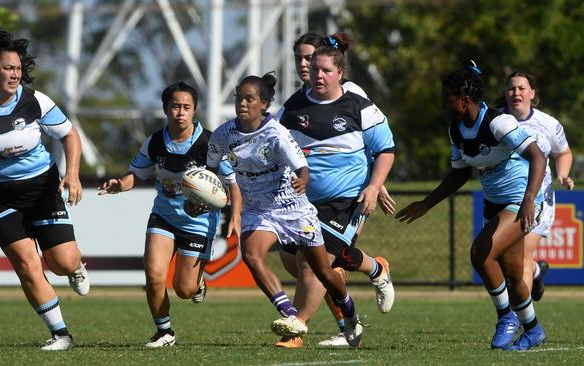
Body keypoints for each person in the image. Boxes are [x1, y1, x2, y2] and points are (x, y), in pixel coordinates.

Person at [0, 30, 89, 350]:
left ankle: (76, 266)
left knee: (62, 262)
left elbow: (70, 135)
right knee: (27, 263)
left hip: (42, 188)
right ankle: (60, 334)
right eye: (9, 68)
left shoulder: (35, 101)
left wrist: (74, 174)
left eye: (18, 68)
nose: (15, 74)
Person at [395, 61, 547, 351]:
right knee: (514, 275)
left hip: (521, 200)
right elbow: (460, 172)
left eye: (447, 101)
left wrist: (529, 200)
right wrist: (427, 203)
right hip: (495, 204)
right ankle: (533, 330)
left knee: (481, 253)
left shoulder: (497, 122)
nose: (443, 107)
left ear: (464, 101)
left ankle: (506, 318)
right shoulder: (456, 131)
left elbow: (538, 157)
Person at [206, 72, 363, 347]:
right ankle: (291, 315)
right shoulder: (223, 135)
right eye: (239, 98)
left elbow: (302, 167)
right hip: (259, 210)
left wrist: (303, 180)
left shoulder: (276, 134)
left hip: (292, 208)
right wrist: (204, 192)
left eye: (249, 98)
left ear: (264, 104)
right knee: (252, 254)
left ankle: (349, 312)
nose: (242, 103)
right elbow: (209, 169)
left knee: (325, 273)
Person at [275, 33, 396, 348]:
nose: (313, 72)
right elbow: (273, 146)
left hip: (347, 200)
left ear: (339, 72)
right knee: (304, 265)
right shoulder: (292, 107)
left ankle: (296, 328)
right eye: (308, 65)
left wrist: (374, 186)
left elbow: (385, 149)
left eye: (320, 67)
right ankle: (369, 281)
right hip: (303, 202)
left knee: (314, 262)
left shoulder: (357, 102)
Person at [98, 81, 240, 348]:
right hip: (163, 216)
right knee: (153, 275)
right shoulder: (154, 141)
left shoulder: (211, 143)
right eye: (175, 106)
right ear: (166, 109)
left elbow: (232, 183)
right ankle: (164, 332)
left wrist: (235, 215)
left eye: (187, 107)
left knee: (184, 290)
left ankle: (197, 284)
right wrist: (120, 185)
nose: (181, 112)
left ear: (194, 110)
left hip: (198, 222)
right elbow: (135, 175)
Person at [502, 71, 574, 302]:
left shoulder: (548, 124)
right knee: (508, 259)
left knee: (521, 258)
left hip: (540, 200)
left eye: (522, 88)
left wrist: (562, 175)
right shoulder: (496, 121)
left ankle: (523, 323)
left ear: (532, 93)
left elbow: (562, 152)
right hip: (505, 199)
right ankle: (537, 271)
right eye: (512, 88)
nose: (516, 93)